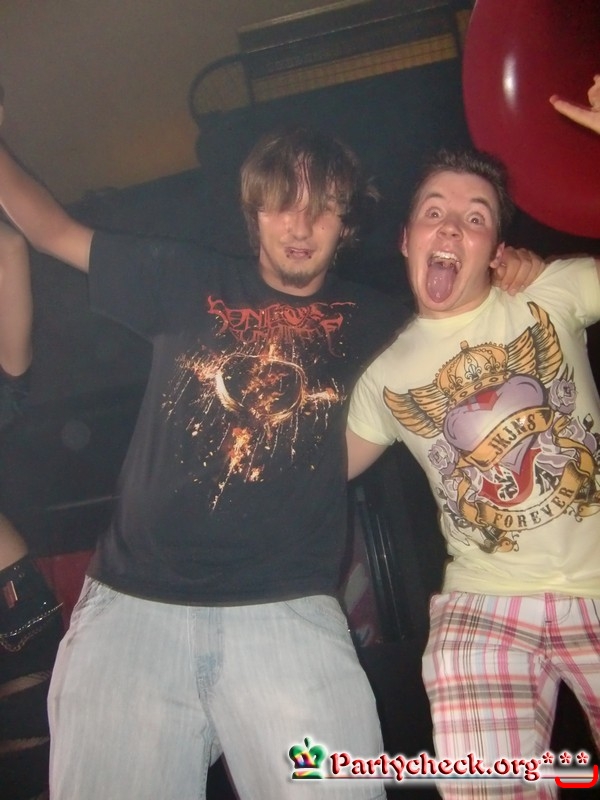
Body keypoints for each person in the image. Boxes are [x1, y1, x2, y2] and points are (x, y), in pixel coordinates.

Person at [0, 117, 541, 798]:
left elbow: (474, 324)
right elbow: (49, 229)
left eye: (323, 208)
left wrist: (518, 272)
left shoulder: (382, 323)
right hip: (133, 611)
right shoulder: (186, 277)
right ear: (255, 210)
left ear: (346, 223)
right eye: (284, 203)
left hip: (288, 614)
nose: (300, 225)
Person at [346, 149, 600, 799]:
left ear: (496, 250)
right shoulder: (383, 370)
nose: (453, 227)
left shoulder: (548, 292)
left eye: (476, 217)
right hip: (485, 605)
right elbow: (310, 475)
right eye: (434, 213)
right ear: (407, 240)